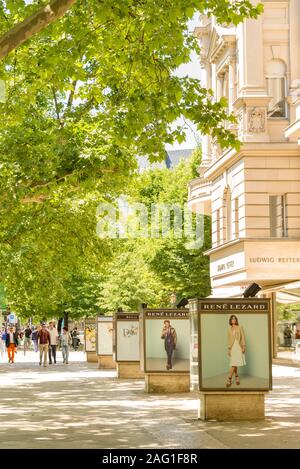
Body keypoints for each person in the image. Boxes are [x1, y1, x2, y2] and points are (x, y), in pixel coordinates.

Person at [226, 315, 246, 387]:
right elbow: (228, 340)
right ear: (230, 321)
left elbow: (243, 337)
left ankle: (229, 379)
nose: (233, 320)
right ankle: (237, 376)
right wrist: (229, 349)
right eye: (232, 319)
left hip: (238, 346)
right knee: (235, 363)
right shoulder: (229, 329)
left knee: (234, 363)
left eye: (234, 319)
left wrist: (243, 346)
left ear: (236, 320)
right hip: (232, 347)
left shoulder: (240, 327)